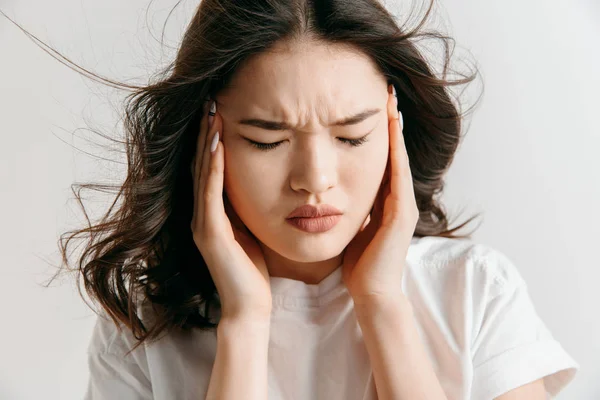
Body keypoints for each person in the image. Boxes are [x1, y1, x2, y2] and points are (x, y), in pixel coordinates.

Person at [10, 0, 577, 398]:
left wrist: (382, 302)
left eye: (352, 136)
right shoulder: (140, 329)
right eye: (267, 140)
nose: (314, 178)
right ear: (207, 142)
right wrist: (245, 322)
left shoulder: (476, 291)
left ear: (394, 132)